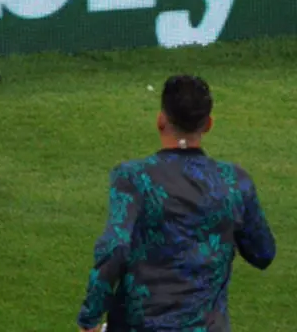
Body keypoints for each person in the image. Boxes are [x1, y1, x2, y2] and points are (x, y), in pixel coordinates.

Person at [76, 75, 276, 332]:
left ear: (160, 120)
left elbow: (115, 246)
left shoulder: (134, 178)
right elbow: (263, 253)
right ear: (208, 124)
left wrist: (89, 317)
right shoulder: (234, 182)